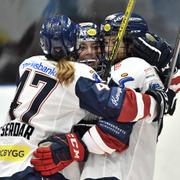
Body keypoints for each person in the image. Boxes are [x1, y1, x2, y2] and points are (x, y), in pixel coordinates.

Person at [0, 15, 161, 180]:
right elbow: (120, 106)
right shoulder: (78, 75)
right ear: (73, 47)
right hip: (35, 167)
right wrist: (158, 101)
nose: (90, 53)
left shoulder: (27, 64)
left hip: (5, 161)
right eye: (83, 46)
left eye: (95, 46)